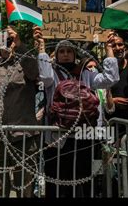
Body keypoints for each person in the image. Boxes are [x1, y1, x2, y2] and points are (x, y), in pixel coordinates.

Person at [40, 32, 119, 197]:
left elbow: (111, 79)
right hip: (57, 137)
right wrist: (41, 46)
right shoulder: (51, 74)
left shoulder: (87, 74)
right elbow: (45, 76)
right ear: (57, 55)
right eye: (61, 51)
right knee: (55, 179)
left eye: (69, 51)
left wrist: (108, 49)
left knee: (82, 179)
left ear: (75, 55)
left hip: (84, 135)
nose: (66, 54)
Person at [0, 25, 42, 198]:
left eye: (10, 41)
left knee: (24, 186)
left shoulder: (25, 62)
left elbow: (35, 72)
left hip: (23, 134)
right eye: (4, 41)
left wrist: (20, 44)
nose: (7, 45)